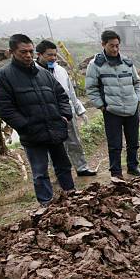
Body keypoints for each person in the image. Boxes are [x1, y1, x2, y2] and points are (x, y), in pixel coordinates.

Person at [0, 34, 75, 205]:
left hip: (54, 128)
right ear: (11, 52)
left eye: (30, 51)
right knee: (40, 171)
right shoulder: (3, 76)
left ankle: (72, 197)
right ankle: (46, 205)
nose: (28, 55)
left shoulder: (44, 73)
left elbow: (61, 96)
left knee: (64, 166)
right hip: (32, 134)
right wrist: (25, 126)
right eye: (23, 52)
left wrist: (64, 116)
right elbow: (5, 108)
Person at [85, 30, 140, 178]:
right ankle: (116, 173)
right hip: (111, 110)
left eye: (117, 46)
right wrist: (101, 105)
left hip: (132, 108)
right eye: (111, 46)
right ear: (103, 44)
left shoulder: (127, 62)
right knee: (114, 145)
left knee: (133, 142)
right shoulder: (95, 65)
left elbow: (137, 82)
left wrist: (138, 99)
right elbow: (91, 88)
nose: (115, 49)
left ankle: (133, 167)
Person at [35, 40, 96, 177]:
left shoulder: (60, 70)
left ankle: (82, 168)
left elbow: (71, 93)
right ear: (39, 54)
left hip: (67, 112)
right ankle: (59, 173)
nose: (53, 58)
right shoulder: (33, 72)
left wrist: (79, 110)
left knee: (74, 142)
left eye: (55, 55)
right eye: (49, 55)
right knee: (54, 146)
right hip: (48, 116)